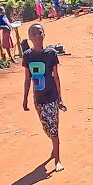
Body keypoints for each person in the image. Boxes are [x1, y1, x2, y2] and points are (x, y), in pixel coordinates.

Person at [21, 23, 66, 173]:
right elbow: (27, 79)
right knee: (46, 127)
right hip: (38, 98)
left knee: (54, 128)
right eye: (34, 34)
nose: (37, 36)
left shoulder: (51, 53)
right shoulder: (27, 56)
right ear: (30, 38)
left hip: (52, 95)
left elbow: (56, 76)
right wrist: (25, 99)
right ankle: (54, 145)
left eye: (40, 33)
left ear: (44, 35)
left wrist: (60, 98)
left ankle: (58, 159)